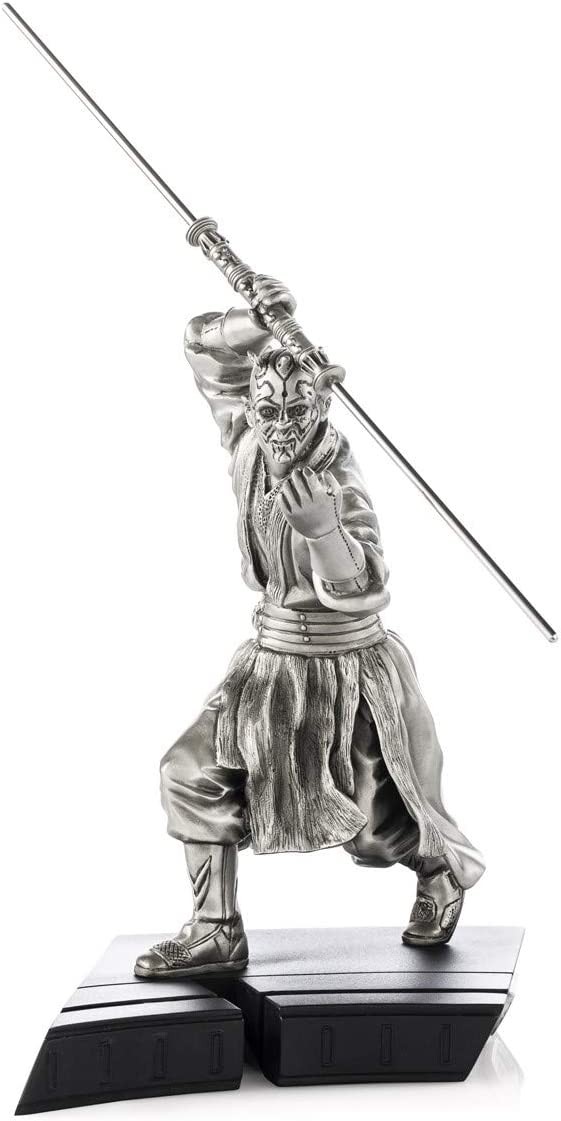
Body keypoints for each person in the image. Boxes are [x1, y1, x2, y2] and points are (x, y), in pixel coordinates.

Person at [135, 276, 484, 979]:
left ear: (321, 403)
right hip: (267, 664)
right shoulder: (248, 435)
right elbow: (205, 350)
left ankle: (439, 872)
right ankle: (215, 929)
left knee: (378, 821)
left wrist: (324, 531)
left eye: (297, 407)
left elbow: (367, 585)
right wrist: (257, 321)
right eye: (269, 406)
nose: (282, 421)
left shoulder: (337, 476)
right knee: (190, 771)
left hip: (346, 672)